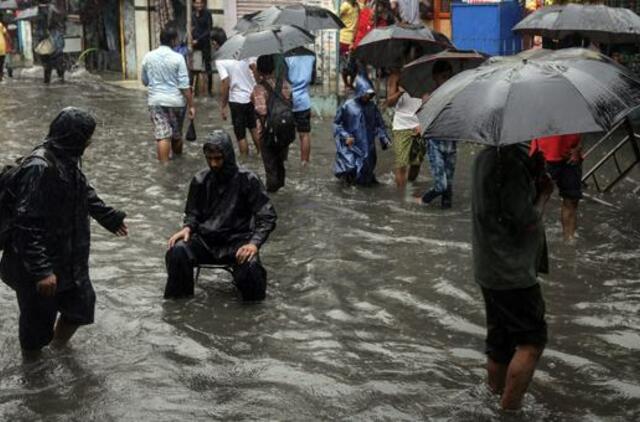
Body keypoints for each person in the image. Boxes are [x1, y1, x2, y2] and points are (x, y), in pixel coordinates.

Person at [0, 107, 128, 357]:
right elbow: (26, 222)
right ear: (73, 136)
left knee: (81, 304)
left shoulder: (66, 159)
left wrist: (108, 217)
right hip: (34, 261)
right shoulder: (39, 167)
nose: (90, 141)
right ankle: (34, 375)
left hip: (65, 255)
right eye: (86, 136)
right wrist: (41, 270)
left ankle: (57, 350)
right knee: (36, 325)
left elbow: (83, 191)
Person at [472, 143, 553, 411]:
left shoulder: (485, 157)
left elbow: (499, 205)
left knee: (500, 342)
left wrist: (531, 170)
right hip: (513, 272)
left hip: (489, 267)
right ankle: (509, 410)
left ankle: (494, 401)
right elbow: (526, 218)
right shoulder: (509, 161)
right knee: (532, 341)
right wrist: (543, 194)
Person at [164, 130, 277, 301]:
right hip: (205, 241)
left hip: (237, 243)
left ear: (228, 156)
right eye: (209, 159)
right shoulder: (200, 180)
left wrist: (254, 243)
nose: (214, 164)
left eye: (218, 159)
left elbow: (267, 216)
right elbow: (193, 213)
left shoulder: (248, 180)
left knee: (252, 269)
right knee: (178, 250)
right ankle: (180, 305)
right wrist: (187, 227)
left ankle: (253, 316)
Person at [141, 25, 196, 162]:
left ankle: (164, 169)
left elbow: (145, 81)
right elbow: (184, 85)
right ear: (173, 40)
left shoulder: (148, 57)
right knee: (176, 135)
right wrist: (191, 106)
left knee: (162, 135)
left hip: (156, 102)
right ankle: (177, 165)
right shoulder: (178, 58)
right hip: (176, 103)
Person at [333, 75, 391, 185]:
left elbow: (379, 124)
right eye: (365, 93)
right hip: (352, 145)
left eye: (369, 94)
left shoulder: (372, 107)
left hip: (368, 145)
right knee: (350, 169)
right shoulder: (347, 106)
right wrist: (345, 136)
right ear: (360, 91)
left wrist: (384, 138)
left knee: (366, 170)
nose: (367, 96)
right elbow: (337, 124)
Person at [418, 61, 457, 208]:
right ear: (435, 77)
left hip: (451, 144)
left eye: (449, 76)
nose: (446, 80)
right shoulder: (429, 96)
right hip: (435, 145)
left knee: (449, 190)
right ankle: (423, 200)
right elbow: (422, 120)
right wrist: (426, 105)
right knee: (441, 185)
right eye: (443, 77)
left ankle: (445, 218)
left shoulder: (455, 95)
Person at [530, 134, 583, 242]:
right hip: (544, 152)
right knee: (537, 198)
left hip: (571, 154)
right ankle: (532, 240)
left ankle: (569, 242)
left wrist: (579, 147)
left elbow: (587, 123)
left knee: (572, 200)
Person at [252, 55, 293, 192]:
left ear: (259, 70)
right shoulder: (285, 83)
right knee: (280, 162)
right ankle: (281, 187)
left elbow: (261, 112)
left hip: (268, 132)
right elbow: (290, 103)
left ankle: (272, 195)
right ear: (273, 68)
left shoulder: (259, 88)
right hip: (285, 130)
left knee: (270, 166)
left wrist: (263, 131)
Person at [387, 48, 425, 189]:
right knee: (401, 163)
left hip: (420, 124)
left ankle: (409, 189)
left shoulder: (425, 75)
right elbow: (389, 102)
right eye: (409, 58)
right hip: (401, 124)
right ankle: (401, 197)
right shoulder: (396, 77)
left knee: (416, 164)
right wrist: (400, 92)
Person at [216, 55, 260, 157]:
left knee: (240, 135)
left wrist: (223, 105)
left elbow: (225, 82)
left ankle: (244, 161)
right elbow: (258, 77)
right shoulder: (250, 56)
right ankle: (261, 155)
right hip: (251, 98)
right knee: (254, 128)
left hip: (236, 100)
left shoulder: (222, 60)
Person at [285, 50, 315, 165]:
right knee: (304, 134)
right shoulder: (311, 55)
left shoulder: (286, 56)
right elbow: (313, 78)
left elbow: (284, 79)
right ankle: (304, 163)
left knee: (285, 134)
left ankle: (284, 161)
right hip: (304, 101)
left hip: (288, 100)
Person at [36, 0, 66, 84]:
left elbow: (44, 27)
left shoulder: (44, 10)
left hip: (49, 39)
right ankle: (61, 80)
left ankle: (49, 82)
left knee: (47, 64)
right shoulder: (57, 8)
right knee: (58, 61)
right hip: (56, 39)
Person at [191, 0, 214, 97]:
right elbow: (192, 28)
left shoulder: (207, 14)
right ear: (194, 4)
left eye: (201, 3)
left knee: (208, 67)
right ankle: (195, 91)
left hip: (205, 44)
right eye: (197, 3)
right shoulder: (192, 15)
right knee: (196, 67)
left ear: (203, 4)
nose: (199, 5)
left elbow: (209, 30)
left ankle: (209, 91)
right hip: (195, 45)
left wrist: (198, 39)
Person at [339, 0, 359, 91]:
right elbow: (337, 16)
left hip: (354, 39)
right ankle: (346, 84)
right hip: (344, 38)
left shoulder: (356, 6)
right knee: (345, 64)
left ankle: (351, 84)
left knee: (354, 64)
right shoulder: (345, 6)